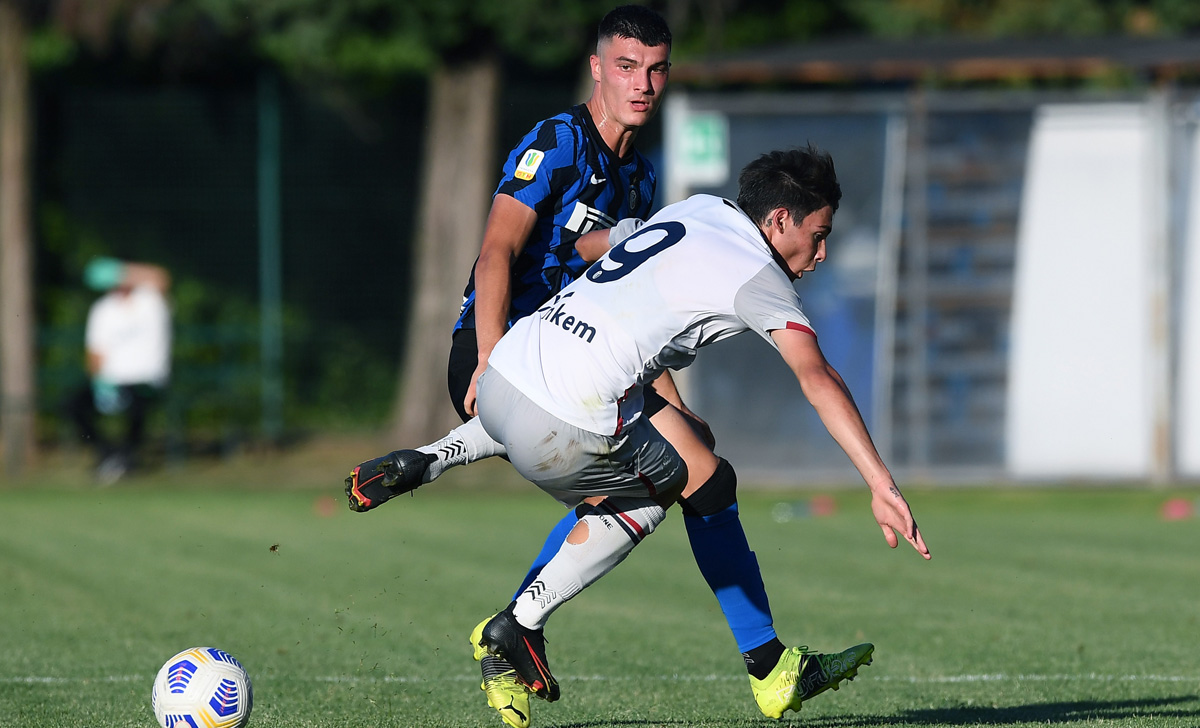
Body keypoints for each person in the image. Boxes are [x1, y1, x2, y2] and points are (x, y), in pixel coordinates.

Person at [346, 6, 819, 726]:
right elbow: (497, 251)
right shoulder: (556, 143)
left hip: (580, 365)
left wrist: (672, 399)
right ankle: (759, 663)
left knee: (679, 463)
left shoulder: (640, 177)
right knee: (682, 480)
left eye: (657, 69)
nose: (644, 84)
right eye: (628, 67)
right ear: (598, 68)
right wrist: (492, 352)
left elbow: (630, 317)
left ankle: (454, 510)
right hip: (504, 351)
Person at [469, 145, 930, 715]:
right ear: (779, 219)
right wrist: (881, 483)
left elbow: (590, 248)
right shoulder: (759, 273)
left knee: (706, 479)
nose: (822, 253)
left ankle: (770, 665)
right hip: (566, 409)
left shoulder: (697, 210)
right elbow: (817, 376)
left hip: (506, 369)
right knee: (652, 495)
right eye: (818, 234)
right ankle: (516, 625)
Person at [67, 257, 172, 484]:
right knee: (72, 405)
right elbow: (96, 352)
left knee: (137, 407)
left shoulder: (150, 299)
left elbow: (161, 277)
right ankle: (107, 454)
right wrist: (98, 383)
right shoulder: (103, 309)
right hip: (112, 380)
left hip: (147, 380)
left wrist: (122, 271)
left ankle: (126, 458)